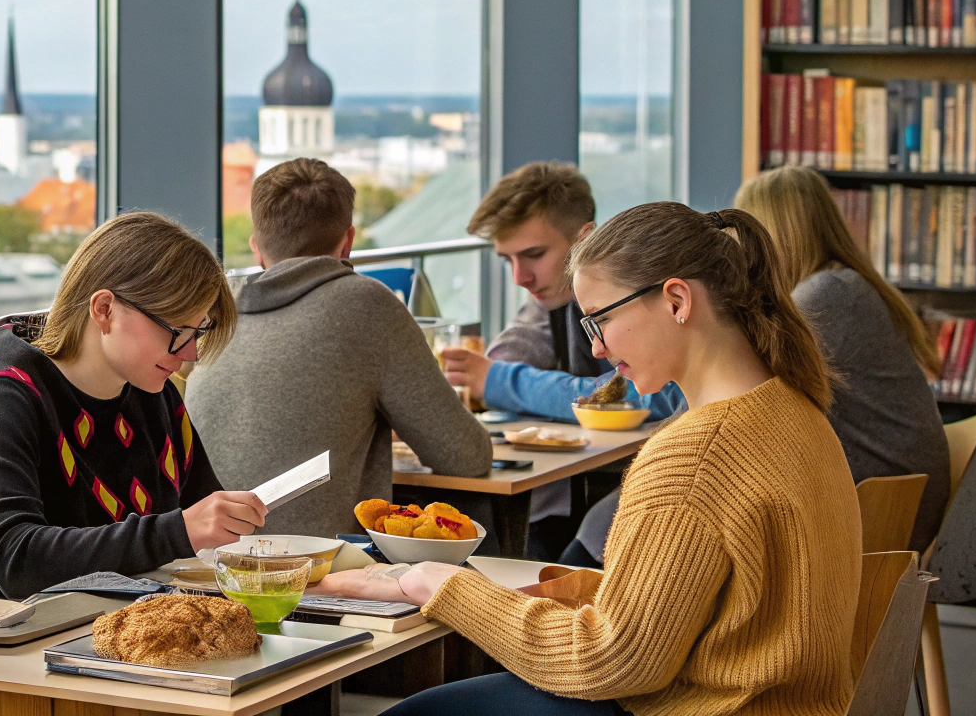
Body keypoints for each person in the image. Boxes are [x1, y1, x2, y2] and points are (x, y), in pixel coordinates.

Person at [324, 202, 863, 716]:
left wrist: (435, 584)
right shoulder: (795, 410)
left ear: (677, 300)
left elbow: (613, 660)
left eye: (599, 320)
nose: (597, 349)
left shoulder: (694, 456)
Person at [0, 211, 266, 716]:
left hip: (123, 659)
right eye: (178, 331)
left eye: (199, 331)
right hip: (4, 680)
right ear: (104, 309)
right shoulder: (7, 392)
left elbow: (209, 530)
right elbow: (15, 557)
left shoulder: (152, 389)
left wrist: (308, 578)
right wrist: (179, 530)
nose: (191, 352)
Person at [187, 158, 492, 536]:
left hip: (205, 560)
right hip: (318, 565)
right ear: (347, 241)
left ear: (256, 249)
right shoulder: (367, 304)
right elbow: (466, 456)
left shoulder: (213, 317)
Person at [735, 166, 949, 550]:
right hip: (895, 502)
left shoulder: (825, 295)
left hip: (883, 516)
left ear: (771, 236)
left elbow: (749, 395)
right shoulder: (846, 284)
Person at [441, 162, 685, 422]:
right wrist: (478, 375)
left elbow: (659, 392)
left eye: (535, 254)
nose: (519, 278)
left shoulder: (642, 290)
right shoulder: (551, 300)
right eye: (507, 260)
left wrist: (501, 382)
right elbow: (507, 356)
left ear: (584, 241)